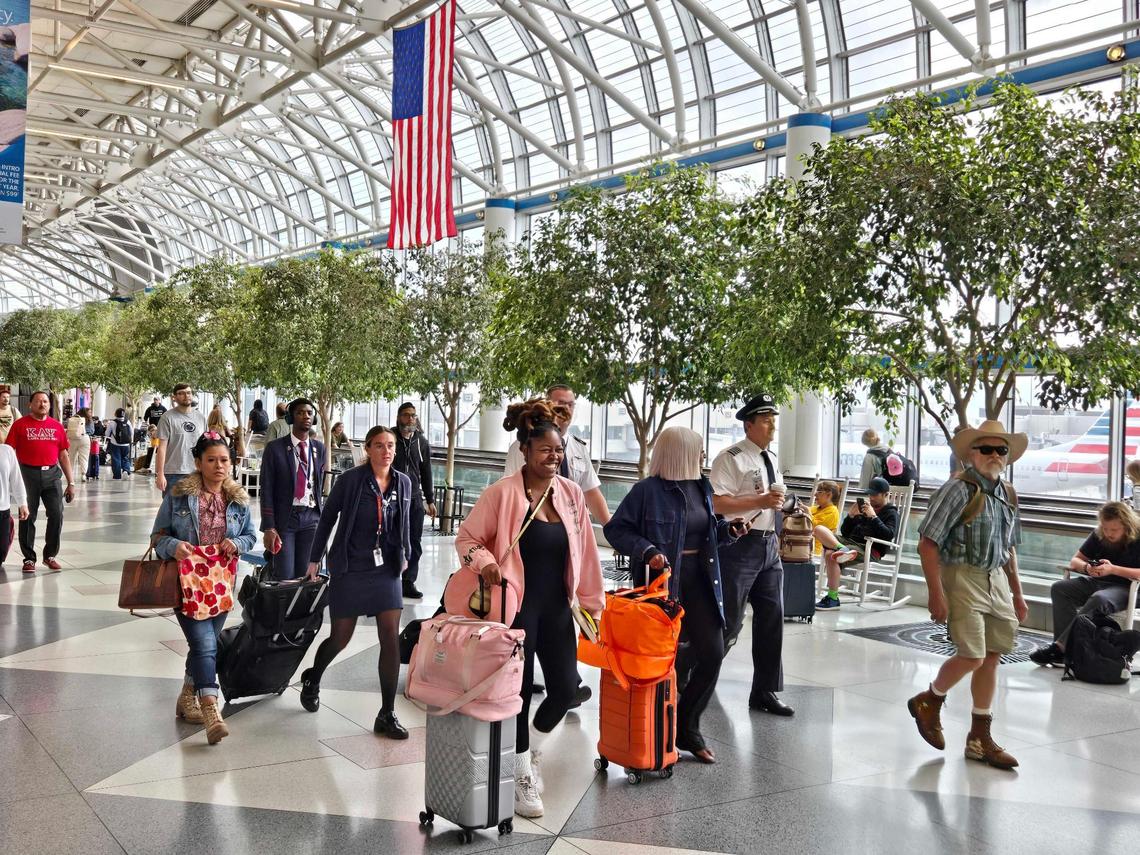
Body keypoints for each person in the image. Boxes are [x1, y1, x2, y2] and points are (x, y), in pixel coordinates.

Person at [456, 398, 604, 819]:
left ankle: (530, 751)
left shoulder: (572, 495)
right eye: (546, 451)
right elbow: (467, 539)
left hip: (557, 609)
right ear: (524, 450)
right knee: (516, 696)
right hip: (514, 612)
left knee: (564, 690)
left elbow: (587, 552)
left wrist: (593, 604)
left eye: (559, 451)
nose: (554, 458)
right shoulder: (501, 495)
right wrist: (485, 563)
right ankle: (519, 771)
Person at [604, 427, 743, 764]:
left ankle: (686, 726)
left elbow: (708, 532)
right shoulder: (646, 492)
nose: (703, 457)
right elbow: (615, 530)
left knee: (712, 652)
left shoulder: (702, 488)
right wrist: (647, 549)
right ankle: (654, 734)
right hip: (664, 585)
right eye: (698, 451)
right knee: (657, 661)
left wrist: (730, 530)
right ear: (680, 454)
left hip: (703, 580)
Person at [907, 419, 1029, 770]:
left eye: (1001, 450)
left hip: (996, 580)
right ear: (971, 454)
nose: (994, 455)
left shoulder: (1008, 493)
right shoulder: (958, 490)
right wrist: (936, 593)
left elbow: (1010, 549)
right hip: (961, 576)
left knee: (992, 656)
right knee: (973, 655)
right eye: (986, 449)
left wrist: (1018, 594)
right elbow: (928, 543)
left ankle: (979, 739)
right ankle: (930, 699)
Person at [299, 426, 412, 739]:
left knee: (390, 636)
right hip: (350, 566)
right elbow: (327, 518)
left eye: (390, 445)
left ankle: (387, 714)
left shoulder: (403, 481)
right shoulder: (350, 481)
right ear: (368, 449)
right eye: (379, 445)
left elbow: (405, 524)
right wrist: (314, 558)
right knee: (341, 637)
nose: (386, 451)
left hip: (386, 569)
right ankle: (314, 677)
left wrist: (406, 554)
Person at [151, 432, 257, 745]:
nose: (218, 466)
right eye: (211, 460)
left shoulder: (238, 500)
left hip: (221, 585)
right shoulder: (179, 495)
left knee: (204, 645)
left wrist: (235, 542)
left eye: (224, 460)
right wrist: (173, 546)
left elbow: (251, 536)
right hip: (186, 584)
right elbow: (157, 536)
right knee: (206, 645)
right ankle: (211, 707)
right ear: (198, 463)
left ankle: (187, 698)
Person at [709, 393, 793, 717]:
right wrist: (758, 501)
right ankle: (695, 674)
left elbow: (773, 501)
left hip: (769, 546)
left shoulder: (769, 458)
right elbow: (717, 503)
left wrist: (787, 506)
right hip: (739, 546)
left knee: (772, 619)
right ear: (749, 424)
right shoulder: (731, 458)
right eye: (766, 419)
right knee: (729, 620)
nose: (772, 425)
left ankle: (764, 691)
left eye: (774, 418)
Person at [1029, 501, 1140, 666]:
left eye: (1114, 530)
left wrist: (1113, 569)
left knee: (1099, 598)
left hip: (1127, 587)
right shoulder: (1099, 534)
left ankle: (1061, 647)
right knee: (1060, 588)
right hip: (1097, 581)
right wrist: (1087, 567)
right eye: (1105, 528)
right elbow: (1075, 560)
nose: (1108, 533)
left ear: (1127, 525)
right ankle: (1065, 648)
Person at [504, 384, 610, 525]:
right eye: (561, 403)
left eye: (571, 404)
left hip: (571, 527)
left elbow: (591, 492)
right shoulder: (523, 445)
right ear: (547, 405)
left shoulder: (579, 448)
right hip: (533, 524)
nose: (566, 409)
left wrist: (614, 532)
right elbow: (510, 491)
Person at [5, 391, 74, 574]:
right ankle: (29, 558)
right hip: (27, 475)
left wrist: (71, 482)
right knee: (27, 516)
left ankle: (50, 555)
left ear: (49, 405)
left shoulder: (57, 427)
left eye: (45, 401)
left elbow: (63, 455)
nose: (42, 404)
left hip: (52, 475)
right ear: (30, 405)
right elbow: (8, 454)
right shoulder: (19, 425)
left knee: (57, 514)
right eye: (38, 401)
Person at [260, 399, 326, 581]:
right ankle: (280, 610)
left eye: (309, 413)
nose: (306, 416)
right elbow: (266, 489)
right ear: (290, 417)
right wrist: (269, 526)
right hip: (285, 519)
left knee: (305, 574)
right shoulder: (275, 449)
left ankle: (301, 611)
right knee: (285, 575)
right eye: (300, 412)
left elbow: (317, 485)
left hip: (310, 518)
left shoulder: (319, 449)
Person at [814, 477, 900, 610]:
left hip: (870, 550)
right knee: (819, 529)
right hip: (850, 544)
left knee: (830, 555)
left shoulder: (891, 513)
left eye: (875, 494)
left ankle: (832, 598)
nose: (871, 497)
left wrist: (874, 517)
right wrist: (851, 517)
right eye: (870, 494)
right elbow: (845, 532)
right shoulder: (865, 508)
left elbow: (888, 535)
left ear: (886, 495)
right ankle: (842, 549)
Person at [393, 403, 436, 599]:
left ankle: (408, 581)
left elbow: (426, 472)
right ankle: (391, 578)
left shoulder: (422, 442)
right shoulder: (390, 437)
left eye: (413, 416)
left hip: (415, 499)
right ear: (398, 417)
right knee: (391, 538)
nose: (410, 419)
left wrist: (430, 499)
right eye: (406, 415)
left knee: (414, 541)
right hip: (392, 497)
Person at [155, 384, 207, 496]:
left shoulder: (200, 417)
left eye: (188, 393)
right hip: (173, 473)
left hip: (196, 472)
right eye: (181, 393)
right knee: (172, 509)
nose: (186, 396)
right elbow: (162, 448)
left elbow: (206, 446)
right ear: (174, 397)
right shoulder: (167, 417)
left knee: (196, 510)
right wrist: (160, 474)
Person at [0, 440, 28, 571]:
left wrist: (22, 503)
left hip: (2, 508)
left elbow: (16, 478)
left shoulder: (6, 451)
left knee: (2, 549)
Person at [809, 480, 841, 556]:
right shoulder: (815, 508)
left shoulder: (832, 511)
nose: (815, 494)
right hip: (802, 542)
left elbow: (812, 527)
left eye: (819, 492)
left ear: (829, 495)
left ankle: (841, 549)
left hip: (815, 548)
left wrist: (806, 512)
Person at [105, 408, 133, 480]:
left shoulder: (112, 423)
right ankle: (126, 471)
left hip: (115, 444)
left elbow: (107, 434)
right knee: (125, 458)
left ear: (115, 414)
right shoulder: (128, 422)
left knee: (116, 459)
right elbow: (131, 433)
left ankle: (117, 476)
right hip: (126, 444)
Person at [66, 408, 92, 484]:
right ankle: (83, 474)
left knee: (71, 457)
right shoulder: (88, 420)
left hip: (72, 439)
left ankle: (70, 475)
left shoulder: (72, 419)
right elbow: (92, 430)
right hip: (84, 438)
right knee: (84, 458)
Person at [141, 396, 167, 472]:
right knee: (153, 446)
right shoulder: (150, 408)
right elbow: (145, 418)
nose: (156, 401)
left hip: (161, 428)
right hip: (152, 428)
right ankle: (148, 465)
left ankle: (159, 465)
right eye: (154, 400)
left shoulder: (163, 408)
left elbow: (167, 417)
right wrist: (148, 426)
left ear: (159, 401)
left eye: (157, 400)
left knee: (158, 446)